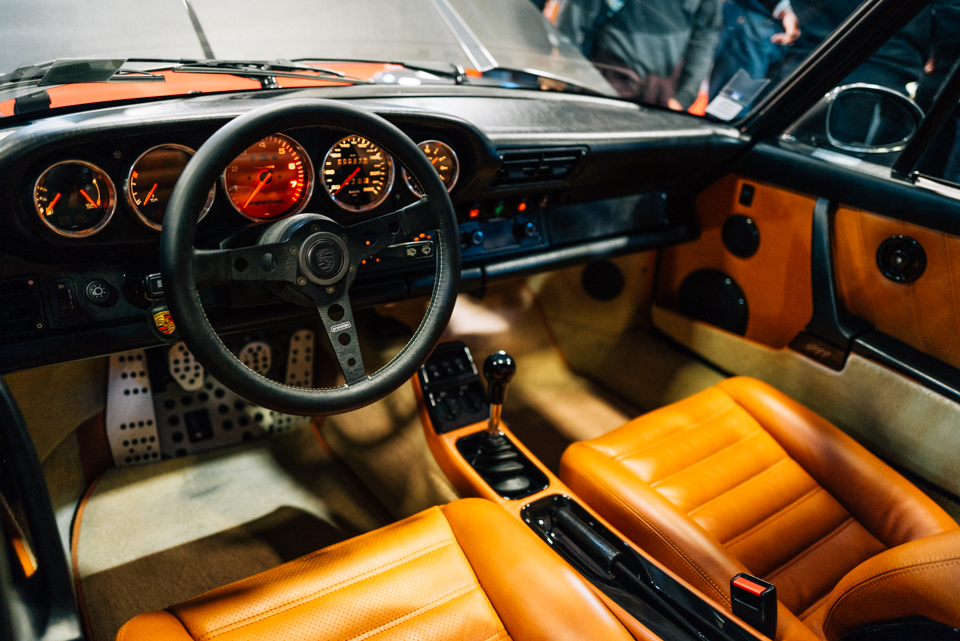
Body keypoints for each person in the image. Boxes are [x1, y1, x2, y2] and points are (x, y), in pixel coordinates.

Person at [554, 0, 722, 110]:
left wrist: (684, 96)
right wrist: (573, 79)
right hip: (603, 85)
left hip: (660, 98)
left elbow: (705, 33)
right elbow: (569, 27)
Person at [708, 0, 800, 99]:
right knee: (731, 101)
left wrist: (786, 11)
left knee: (741, 100)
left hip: (771, 31)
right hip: (754, 23)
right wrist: (785, 10)